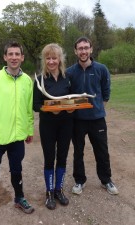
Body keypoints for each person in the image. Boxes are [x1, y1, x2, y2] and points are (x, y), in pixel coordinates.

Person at [0, 41, 35, 224]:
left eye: (17, 54)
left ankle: (19, 198)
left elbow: (28, 110)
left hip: (18, 137)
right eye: (10, 54)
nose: (14, 57)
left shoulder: (27, 80)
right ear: (5, 57)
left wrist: (29, 130)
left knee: (17, 170)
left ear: (22, 57)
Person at [66, 37, 119, 195]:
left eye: (86, 48)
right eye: (80, 48)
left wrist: (97, 109)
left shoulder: (101, 69)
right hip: (77, 120)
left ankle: (106, 180)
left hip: (97, 120)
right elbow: (67, 96)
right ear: (75, 51)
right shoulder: (69, 72)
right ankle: (79, 181)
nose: (83, 51)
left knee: (102, 151)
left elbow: (106, 93)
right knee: (78, 152)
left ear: (91, 49)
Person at [33, 43, 73, 210]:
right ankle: (49, 192)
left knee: (62, 158)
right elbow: (35, 105)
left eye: (54, 58)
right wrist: (50, 110)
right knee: (50, 159)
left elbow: (74, 100)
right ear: (44, 60)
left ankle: (59, 190)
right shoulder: (40, 80)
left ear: (60, 59)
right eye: (48, 58)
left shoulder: (68, 78)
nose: (51, 61)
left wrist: (71, 108)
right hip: (48, 126)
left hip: (66, 125)